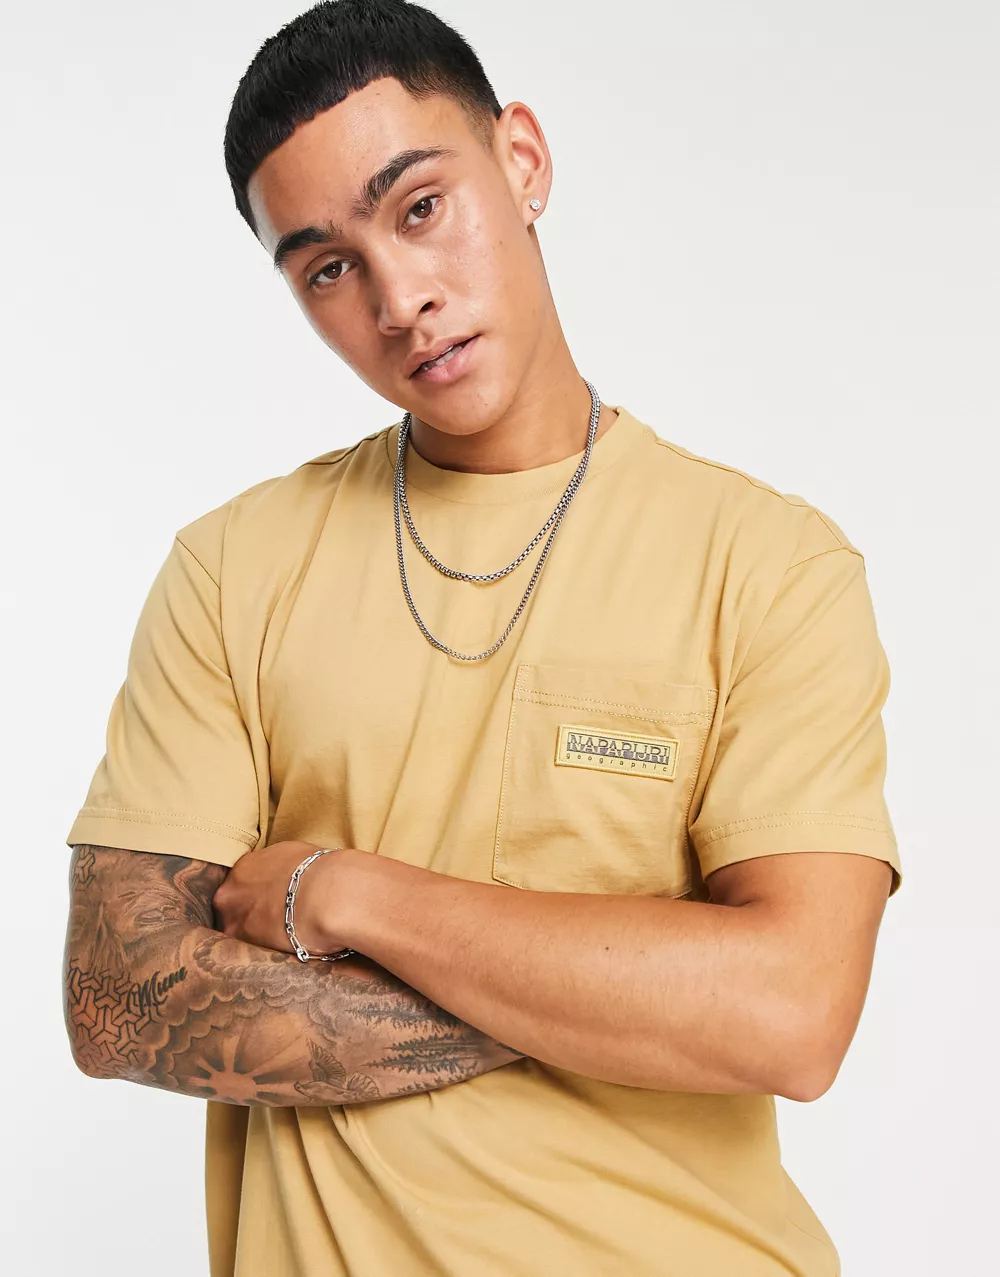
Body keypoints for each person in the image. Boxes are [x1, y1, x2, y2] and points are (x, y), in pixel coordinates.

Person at [61, 2, 902, 1274]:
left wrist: (347, 892)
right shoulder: (234, 567)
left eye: (419, 207)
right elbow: (119, 1002)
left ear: (521, 161)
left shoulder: (768, 565)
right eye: (327, 269)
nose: (400, 298)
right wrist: (627, 987)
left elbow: (790, 1012)